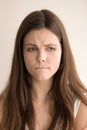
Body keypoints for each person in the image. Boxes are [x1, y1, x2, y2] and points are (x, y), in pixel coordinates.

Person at [0, 9, 87, 130]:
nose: (41, 58)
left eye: (50, 48)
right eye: (32, 49)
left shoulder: (82, 104)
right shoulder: (3, 106)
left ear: (63, 52)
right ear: (21, 53)